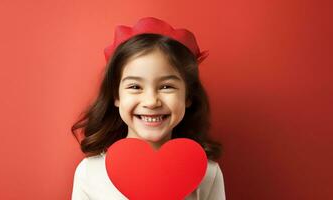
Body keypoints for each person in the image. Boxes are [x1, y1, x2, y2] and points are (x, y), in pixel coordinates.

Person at [71, 17, 226, 200]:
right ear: (116, 96)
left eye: (166, 86)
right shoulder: (90, 173)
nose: (151, 101)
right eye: (135, 87)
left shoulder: (207, 173)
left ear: (188, 96)